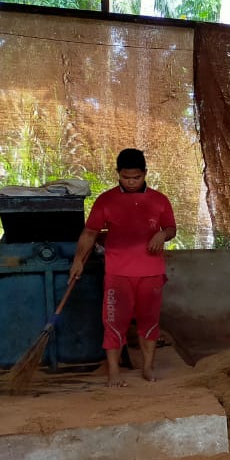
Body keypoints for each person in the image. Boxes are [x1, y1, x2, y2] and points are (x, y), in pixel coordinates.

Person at [69, 148, 176, 386]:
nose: (131, 182)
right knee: (114, 320)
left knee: (149, 320)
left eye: (136, 177)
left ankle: (147, 368)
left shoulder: (159, 200)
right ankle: (114, 372)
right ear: (118, 174)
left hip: (151, 272)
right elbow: (90, 232)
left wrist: (163, 235)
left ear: (145, 173)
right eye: (126, 177)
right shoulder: (106, 200)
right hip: (117, 272)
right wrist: (78, 260)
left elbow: (171, 228)